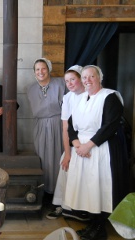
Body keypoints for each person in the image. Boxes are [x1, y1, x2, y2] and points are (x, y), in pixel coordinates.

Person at [64, 65, 129, 240]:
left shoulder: (109, 97)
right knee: (87, 189)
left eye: (91, 76)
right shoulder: (80, 98)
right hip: (82, 150)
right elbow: (71, 124)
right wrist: (77, 144)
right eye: (84, 77)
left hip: (100, 150)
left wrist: (88, 145)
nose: (87, 80)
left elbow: (110, 125)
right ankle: (92, 224)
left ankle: (100, 228)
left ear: (99, 77)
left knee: (98, 188)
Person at [46, 65, 89, 221]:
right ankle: (63, 206)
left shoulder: (91, 95)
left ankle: (83, 210)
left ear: (81, 79)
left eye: (73, 79)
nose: (70, 84)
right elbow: (65, 127)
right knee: (65, 167)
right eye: (67, 81)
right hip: (73, 142)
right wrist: (68, 152)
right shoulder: (68, 98)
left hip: (89, 144)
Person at [26, 58, 66, 199]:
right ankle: (44, 193)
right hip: (40, 126)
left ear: (49, 69)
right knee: (42, 158)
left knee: (59, 157)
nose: (40, 72)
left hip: (59, 124)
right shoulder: (31, 88)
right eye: (37, 69)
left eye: (43, 68)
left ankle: (59, 194)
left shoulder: (61, 83)